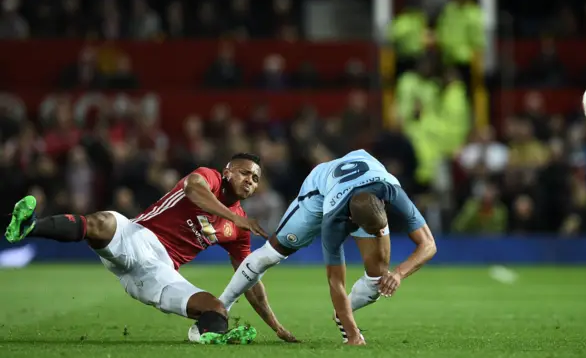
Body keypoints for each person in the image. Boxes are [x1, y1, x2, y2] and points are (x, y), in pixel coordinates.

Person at [5, 153, 297, 345]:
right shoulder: (208, 177)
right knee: (103, 222)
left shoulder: (239, 229)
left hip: (158, 273)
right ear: (228, 171)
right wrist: (233, 216)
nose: (250, 180)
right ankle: (29, 228)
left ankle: (204, 336)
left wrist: (276, 326)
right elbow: (193, 191)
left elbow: (249, 278)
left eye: (256, 178)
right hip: (137, 237)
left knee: (216, 310)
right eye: (245, 173)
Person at [218, 149, 437, 346]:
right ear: (351, 221)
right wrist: (353, 336)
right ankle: (221, 307)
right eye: (371, 231)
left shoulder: (392, 191)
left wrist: (398, 274)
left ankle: (343, 314)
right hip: (319, 190)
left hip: (361, 172)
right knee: (272, 253)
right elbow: (335, 282)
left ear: (383, 203)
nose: (377, 235)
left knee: (379, 278)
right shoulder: (333, 221)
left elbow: (428, 244)